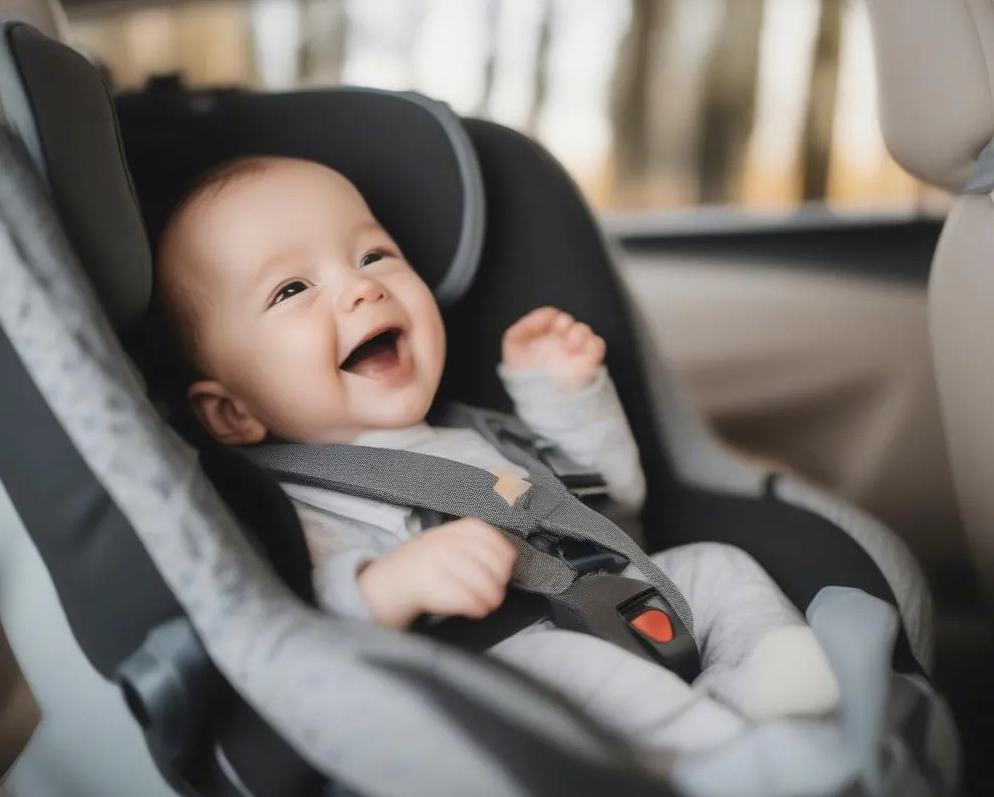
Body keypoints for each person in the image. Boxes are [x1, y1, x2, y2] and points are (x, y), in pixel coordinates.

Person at [154, 154, 839, 762]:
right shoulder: (296, 502)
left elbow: (609, 508)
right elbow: (292, 632)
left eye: (373, 255)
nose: (362, 289)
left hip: (604, 599)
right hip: (496, 662)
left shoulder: (476, 432)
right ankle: (727, 760)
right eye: (291, 290)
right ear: (232, 413)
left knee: (719, 567)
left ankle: (771, 685)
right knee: (565, 668)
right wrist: (388, 587)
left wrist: (563, 395)